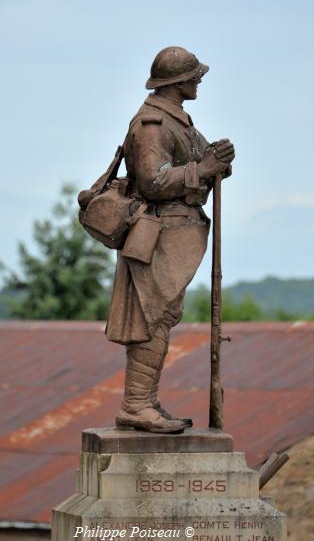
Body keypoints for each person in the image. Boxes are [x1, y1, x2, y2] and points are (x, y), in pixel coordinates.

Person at [105, 46, 235, 434]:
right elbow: (152, 181)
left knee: (163, 317)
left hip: (176, 233)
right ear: (177, 82)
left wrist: (216, 161)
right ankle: (136, 404)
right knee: (152, 319)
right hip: (158, 234)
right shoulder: (153, 124)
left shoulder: (179, 121)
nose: (199, 81)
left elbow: (198, 165)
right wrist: (203, 168)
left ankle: (145, 400)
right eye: (194, 76)